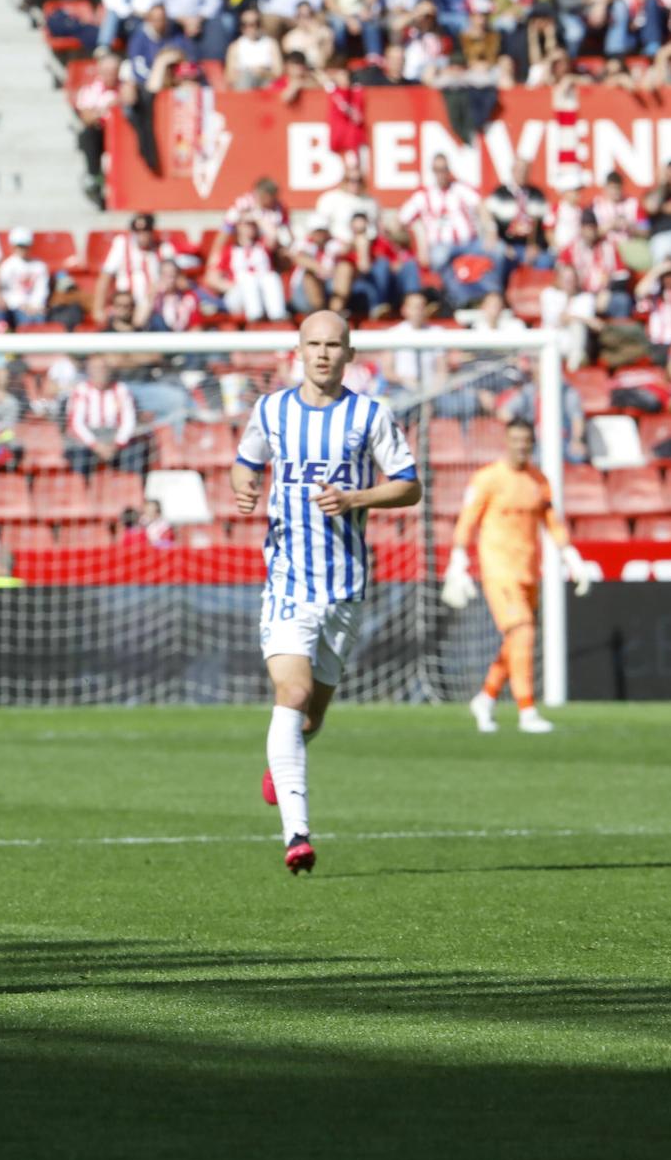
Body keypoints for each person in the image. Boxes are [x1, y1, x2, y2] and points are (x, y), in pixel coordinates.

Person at [230, 312, 422, 875]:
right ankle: (297, 835)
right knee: (290, 695)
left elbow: (410, 485)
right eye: (312, 344)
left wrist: (356, 499)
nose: (321, 354)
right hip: (288, 581)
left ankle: (282, 761)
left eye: (332, 345)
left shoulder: (370, 415)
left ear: (349, 353)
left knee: (310, 718)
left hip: (345, 588)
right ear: (298, 350)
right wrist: (245, 490)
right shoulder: (271, 409)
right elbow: (246, 465)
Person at [441, 419, 593, 736]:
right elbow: (468, 519)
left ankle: (486, 697)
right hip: (498, 570)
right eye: (515, 440)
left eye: (526, 440)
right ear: (506, 441)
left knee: (516, 640)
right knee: (522, 631)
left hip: (528, 571)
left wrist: (571, 556)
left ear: (532, 443)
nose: (520, 446)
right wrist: (458, 558)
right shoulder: (488, 478)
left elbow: (552, 522)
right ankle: (526, 711)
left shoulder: (538, 481)